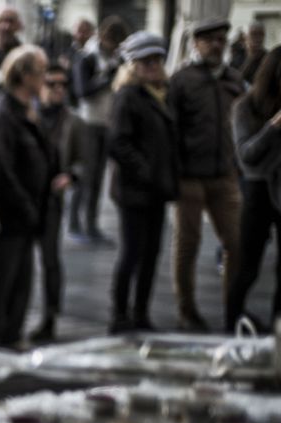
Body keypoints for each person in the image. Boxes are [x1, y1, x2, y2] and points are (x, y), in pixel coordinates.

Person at [0, 46, 53, 349]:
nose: (45, 78)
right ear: (24, 75)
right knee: (0, 280)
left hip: (28, 211)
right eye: (41, 72)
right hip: (10, 213)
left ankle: (10, 336)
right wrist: (23, 203)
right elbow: (2, 167)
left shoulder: (30, 108)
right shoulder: (4, 111)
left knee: (21, 280)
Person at [168, 17, 245, 332]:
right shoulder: (182, 80)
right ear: (196, 43)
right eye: (209, 39)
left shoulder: (234, 80)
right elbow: (170, 129)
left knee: (237, 243)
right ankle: (187, 311)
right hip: (188, 177)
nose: (216, 45)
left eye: (221, 40)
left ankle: (233, 308)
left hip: (224, 175)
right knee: (188, 244)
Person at [107, 32, 178, 334]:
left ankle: (141, 315)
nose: (152, 66)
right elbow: (118, 144)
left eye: (156, 60)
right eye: (145, 61)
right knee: (132, 255)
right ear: (132, 65)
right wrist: (146, 171)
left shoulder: (161, 94)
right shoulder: (128, 96)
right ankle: (120, 317)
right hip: (135, 192)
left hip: (157, 191)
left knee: (151, 256)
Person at [225, 47, 281, 331]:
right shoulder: (244, 107)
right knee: (248, 266)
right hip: (258, 191)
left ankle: (277, 326)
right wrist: (274, 125)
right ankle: (231, 321)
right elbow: (246, 154)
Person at [31, 63, 83, 342]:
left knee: (50, 260)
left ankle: (50, 316)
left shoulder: (73, 121)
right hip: (26, 197)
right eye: (52, 84)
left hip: (51, 199)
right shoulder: (29, 114)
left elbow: (84, 162)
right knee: (20, 263)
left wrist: (70, 176)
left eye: (63, 84)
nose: (58, 89)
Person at [70, 16, 127, 244]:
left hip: (107, 123)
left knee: (97, 179)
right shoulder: (87, 57)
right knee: (85, 176)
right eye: (113, 41)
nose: (114, 47)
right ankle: (76, 223)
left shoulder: (116, 58)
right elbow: (82, 91)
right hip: (88, 123)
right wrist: (109, 77)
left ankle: (91, 224)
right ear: (103, 37)